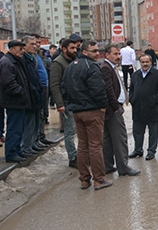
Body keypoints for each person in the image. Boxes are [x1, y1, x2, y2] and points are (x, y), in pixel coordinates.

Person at [62, 41, 112, 190]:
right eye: (94, 51)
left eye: (98, 51)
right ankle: (99, 179)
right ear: (84, 52)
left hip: (77, 111)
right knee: (95, 146)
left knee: (82, 146)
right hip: (92, 110)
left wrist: (72, 104)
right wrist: (103, 106)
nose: (97, 53)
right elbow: (98, 89)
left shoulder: (70, 67)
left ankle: (84, 179)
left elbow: (64, 89)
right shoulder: (92, 67)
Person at [100, 44, 140, 177]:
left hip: (113, 108)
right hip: (113, 108)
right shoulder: (106, 68)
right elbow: (108, 89)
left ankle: (108, 165)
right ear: (107, 55)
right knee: (119, 137)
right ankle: (123, 167)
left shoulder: (111, 67)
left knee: (108, 138)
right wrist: (116, 107)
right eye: (115, 54)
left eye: (119, 54)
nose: (118, 57)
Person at [129, 55, 158, 161]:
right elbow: (131, 89)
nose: (145, 64)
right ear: (140, 63)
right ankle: (138, 150)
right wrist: (133, 99)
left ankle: (151, 151)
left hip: (151, 108)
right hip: (138, 108)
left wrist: (153, 101)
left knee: (153, 132)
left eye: (147, 62)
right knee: (137, 131)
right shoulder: (135, 75)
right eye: (142, 62)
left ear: (151, 62)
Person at [50, 39, 79, 168]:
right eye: (72, 48)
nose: (75, 50)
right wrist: (59, 103)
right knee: (70, 131)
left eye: (76, 48)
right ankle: (72, 157)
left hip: (77, 101)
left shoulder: (75, 60)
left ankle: (81, 155)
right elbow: (54, 85)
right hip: (66, 102)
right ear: (64, 48)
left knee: (79, 130)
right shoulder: (58, 63)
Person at [0, 41, 31, 163]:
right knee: (14, 127)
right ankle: (11, 153)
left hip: (18, 101)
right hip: (14, 101)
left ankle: (16, 150)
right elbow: (9, 84)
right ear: (12, 49)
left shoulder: (15, 61)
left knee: (19, 127)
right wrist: (22, 93)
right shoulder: (7, 63)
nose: (22, 51)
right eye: (20, 48)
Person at [20, 36, 45, 158]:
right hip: (30, 96)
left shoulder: (33, 58)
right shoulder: (23, 59)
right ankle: (25, 147)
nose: (35, 46)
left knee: (36, 121)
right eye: (32, 44)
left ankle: (32, 143)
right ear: (24, 46)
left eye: (35, 44)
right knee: (29, 123)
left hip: (37, 94)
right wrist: (34, 90)